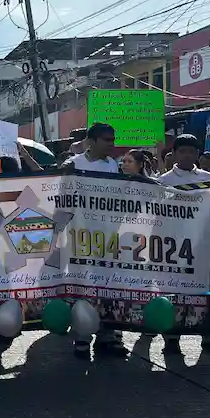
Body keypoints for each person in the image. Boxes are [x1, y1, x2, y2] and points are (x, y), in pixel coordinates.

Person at [158, 134, 210, 355]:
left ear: (197, 155)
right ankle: (171, 339)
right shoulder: (164, 180)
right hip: (175, 246)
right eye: (182, 151)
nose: (186, 155)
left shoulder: (207, 177)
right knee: (174, 291)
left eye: (191, 152)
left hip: (205, 242)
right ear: (174, 154)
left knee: (209, 290)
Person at [65, 123, 125, 359]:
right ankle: (82, 339)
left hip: (108, 238)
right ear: (91, 141)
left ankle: (107, 336)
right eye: (107, 140)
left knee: (109, 288)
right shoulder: (72, 165)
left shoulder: (113, 165)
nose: (112, 144)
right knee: (84, 289)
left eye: (113, 139)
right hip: (80, 239)